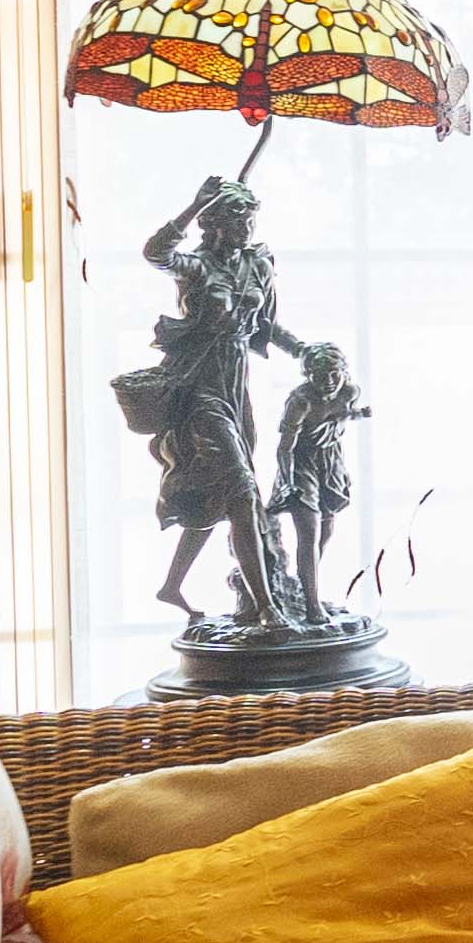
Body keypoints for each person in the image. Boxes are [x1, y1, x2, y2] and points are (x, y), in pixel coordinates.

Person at [122, 174, 296, 627]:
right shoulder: (198, 268)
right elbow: (156, 254)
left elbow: (266, 326)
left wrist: (303, 351)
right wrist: (193, 205)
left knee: (217, 492)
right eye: (238, 222)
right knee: (242, 491)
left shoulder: (257, 265)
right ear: (214, 223)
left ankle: (172, 585)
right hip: (200, 390)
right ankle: (266, 608)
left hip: (236, 389)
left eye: (251, 221)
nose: (247, 230)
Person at [270, 338, 367, 622]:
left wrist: (357, 414)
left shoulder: (350, 391)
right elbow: (285, 448)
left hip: (330, 462)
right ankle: (312, 606)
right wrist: (287, 482)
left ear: (344, 371)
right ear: (308, 375)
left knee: (326, 530)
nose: (329, 382)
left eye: (334, 374)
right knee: (308, 533)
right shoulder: (301, 401)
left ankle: (305, 589)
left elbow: (339, 416)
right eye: (320, 376)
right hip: (301, 464)